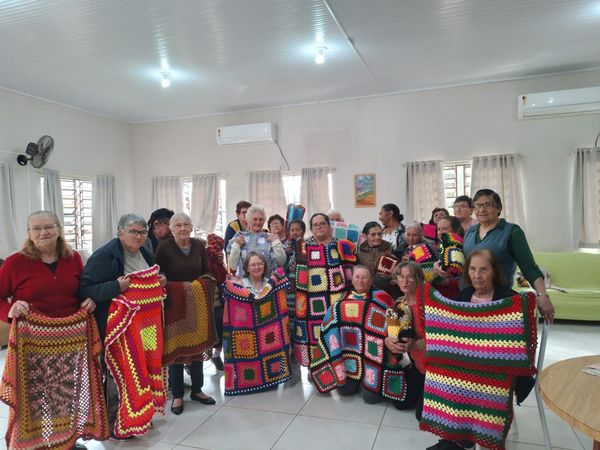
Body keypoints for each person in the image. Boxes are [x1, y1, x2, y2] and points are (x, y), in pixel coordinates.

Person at [0, 211, 102, 449]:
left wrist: (89, 300)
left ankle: (65, 440)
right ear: (29, 234)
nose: (43, 232)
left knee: (65, 394)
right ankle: (34, 442)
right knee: (33, 397)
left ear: (58, 229)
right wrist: (10, 309)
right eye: (36, 228)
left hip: (70, 341)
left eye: (48, 227)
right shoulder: (15, 263)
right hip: (32, 344)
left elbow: (83, 289)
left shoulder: (74, 258)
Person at [424, 249, 536, 450]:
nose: (477, 275)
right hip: (465, 365)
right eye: (473, 269)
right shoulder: (464, 295)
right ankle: (456, 436)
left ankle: (465, 436)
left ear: (494, 271)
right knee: (442, 376)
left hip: (496, 369)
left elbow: (517, 343)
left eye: (483, 269)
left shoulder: (509, 300)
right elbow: (453, 334)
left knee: (476, 384)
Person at [78, 213, 166, 439]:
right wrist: (116, 287)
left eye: (142, 232)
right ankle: (115, 421)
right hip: (118, 330)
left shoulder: (144, 250)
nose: (138, 236)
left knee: (142, 369)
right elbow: (85, 289)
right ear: (120, 231)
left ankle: (139, 415)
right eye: (133, 232)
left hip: (145, 327)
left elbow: (151, 274)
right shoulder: (105, 256)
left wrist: (160, 279)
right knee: (119, 375)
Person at [310, 265, 410, 406]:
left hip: (375, 360)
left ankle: (366, 380)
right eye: (357, 277)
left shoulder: (383, 298)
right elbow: (329, 329)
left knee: (371, 399)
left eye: (365, 277)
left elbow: (395, 326)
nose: (360, 281)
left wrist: (387, 340)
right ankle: (356, 378)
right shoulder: (341, 300)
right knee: (344, 391)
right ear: (352, 279)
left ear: (371, 280)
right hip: (349, 360)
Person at [155, 213, 216, 415]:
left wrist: (199, 285)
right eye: (178, 225)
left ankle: (197, 390)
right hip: (174, 304)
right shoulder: (164, 247)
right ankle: (178, 394)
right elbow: (159, 274)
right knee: (176, 348)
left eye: (186, 224)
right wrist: (169, 284)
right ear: (172, 229)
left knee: (197, 345)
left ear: (191, 227)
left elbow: (207, 272)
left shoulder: (199, 244)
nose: (182, 228)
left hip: (198, 303)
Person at [462, 189, 554, 323]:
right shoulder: (470, 231)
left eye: (488, 204)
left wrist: (542, 295)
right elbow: (461, 261)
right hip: (468, 298)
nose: (482, 209)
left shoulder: (512, 232)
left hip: (498, 300)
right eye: (477, 205)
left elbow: (529, 267)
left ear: (498, 208)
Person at [221, 252, 292, 395]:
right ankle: (249, 382)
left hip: (268, 331)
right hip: (246, 332)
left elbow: (279, 309)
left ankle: (272, 378)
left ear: (264, 266)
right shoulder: (239, 286)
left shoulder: (271, 285)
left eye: (260, 264)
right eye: (253, 264)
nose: (257, 267)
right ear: (246, 268)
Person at [294, 213, 356, 371]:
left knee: (337, 333)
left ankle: (340, 367)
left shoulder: (340, 245)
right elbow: (294, 270)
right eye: (315, 225)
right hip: (310, 300)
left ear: (329, 226)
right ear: (311, 228)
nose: (319, 227)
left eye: (322, 223)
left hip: (338, 297)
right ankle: (315, 367)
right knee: (313, 335)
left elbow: (351, 269)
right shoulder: (303, 246)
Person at [385, 262, 427, 413]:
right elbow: (388, 331)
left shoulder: (427, 303)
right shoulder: (398, 302)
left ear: (418, 279)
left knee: (422, 415)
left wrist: (414, 345)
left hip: (429, 366)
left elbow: (440, 339)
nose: (405, 281)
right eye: (401, 277)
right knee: (400, 404)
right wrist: (387, 341)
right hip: (410, 364)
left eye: (410, 277)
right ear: (396, 279)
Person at [227, 204, 286, 277]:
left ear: (264, 221)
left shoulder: (271, 237)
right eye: (255, 219)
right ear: (248, 220)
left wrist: (276, 243)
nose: (258, 222)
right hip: (244, 286)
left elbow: (282, 262)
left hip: (268, 286)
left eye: (261, 219)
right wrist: (236, 245)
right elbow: (233, 266)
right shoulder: (240, 237)